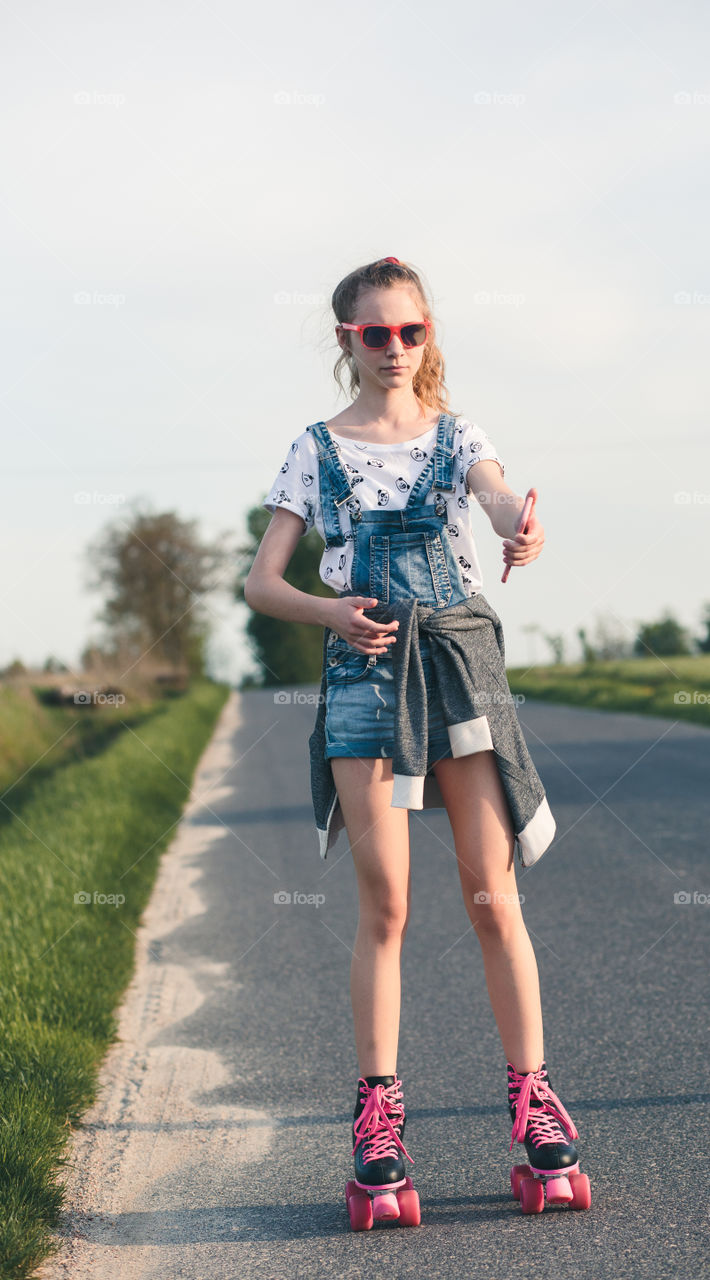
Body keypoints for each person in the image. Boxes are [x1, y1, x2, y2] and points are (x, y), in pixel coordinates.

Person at [245, 256, 588, 1223]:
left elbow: (494, 499)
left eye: (410, 332)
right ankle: (378, 1123)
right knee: (386, 907)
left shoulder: (457, 435)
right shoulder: (314, 450)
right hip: (362, 674)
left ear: (427, 336)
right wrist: (330, 612)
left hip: (456, 664)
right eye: (373, 334)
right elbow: (261, 583)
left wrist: (520, 526)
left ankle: (534, 1108)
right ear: (346, 341)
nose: (394, 349)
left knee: (492, 895)